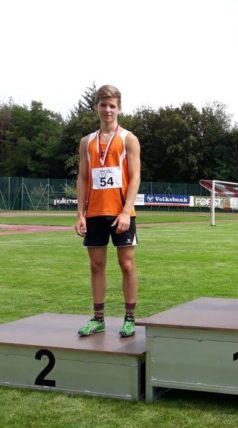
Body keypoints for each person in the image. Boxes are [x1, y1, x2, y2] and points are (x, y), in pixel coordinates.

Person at [75, 85, 141, 337]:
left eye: (112, 105)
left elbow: (135, 177)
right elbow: (82, 178)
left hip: (121, 213)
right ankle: (98, 318)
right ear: (97, 108)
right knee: (96, 266)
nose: (108, 109)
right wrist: (80, 213)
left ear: (119, 108)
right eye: (103, 104)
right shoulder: (87, 142)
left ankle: (130, 318)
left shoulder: (128, 139)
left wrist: (126, 211)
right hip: (94, 213)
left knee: (126, 264)